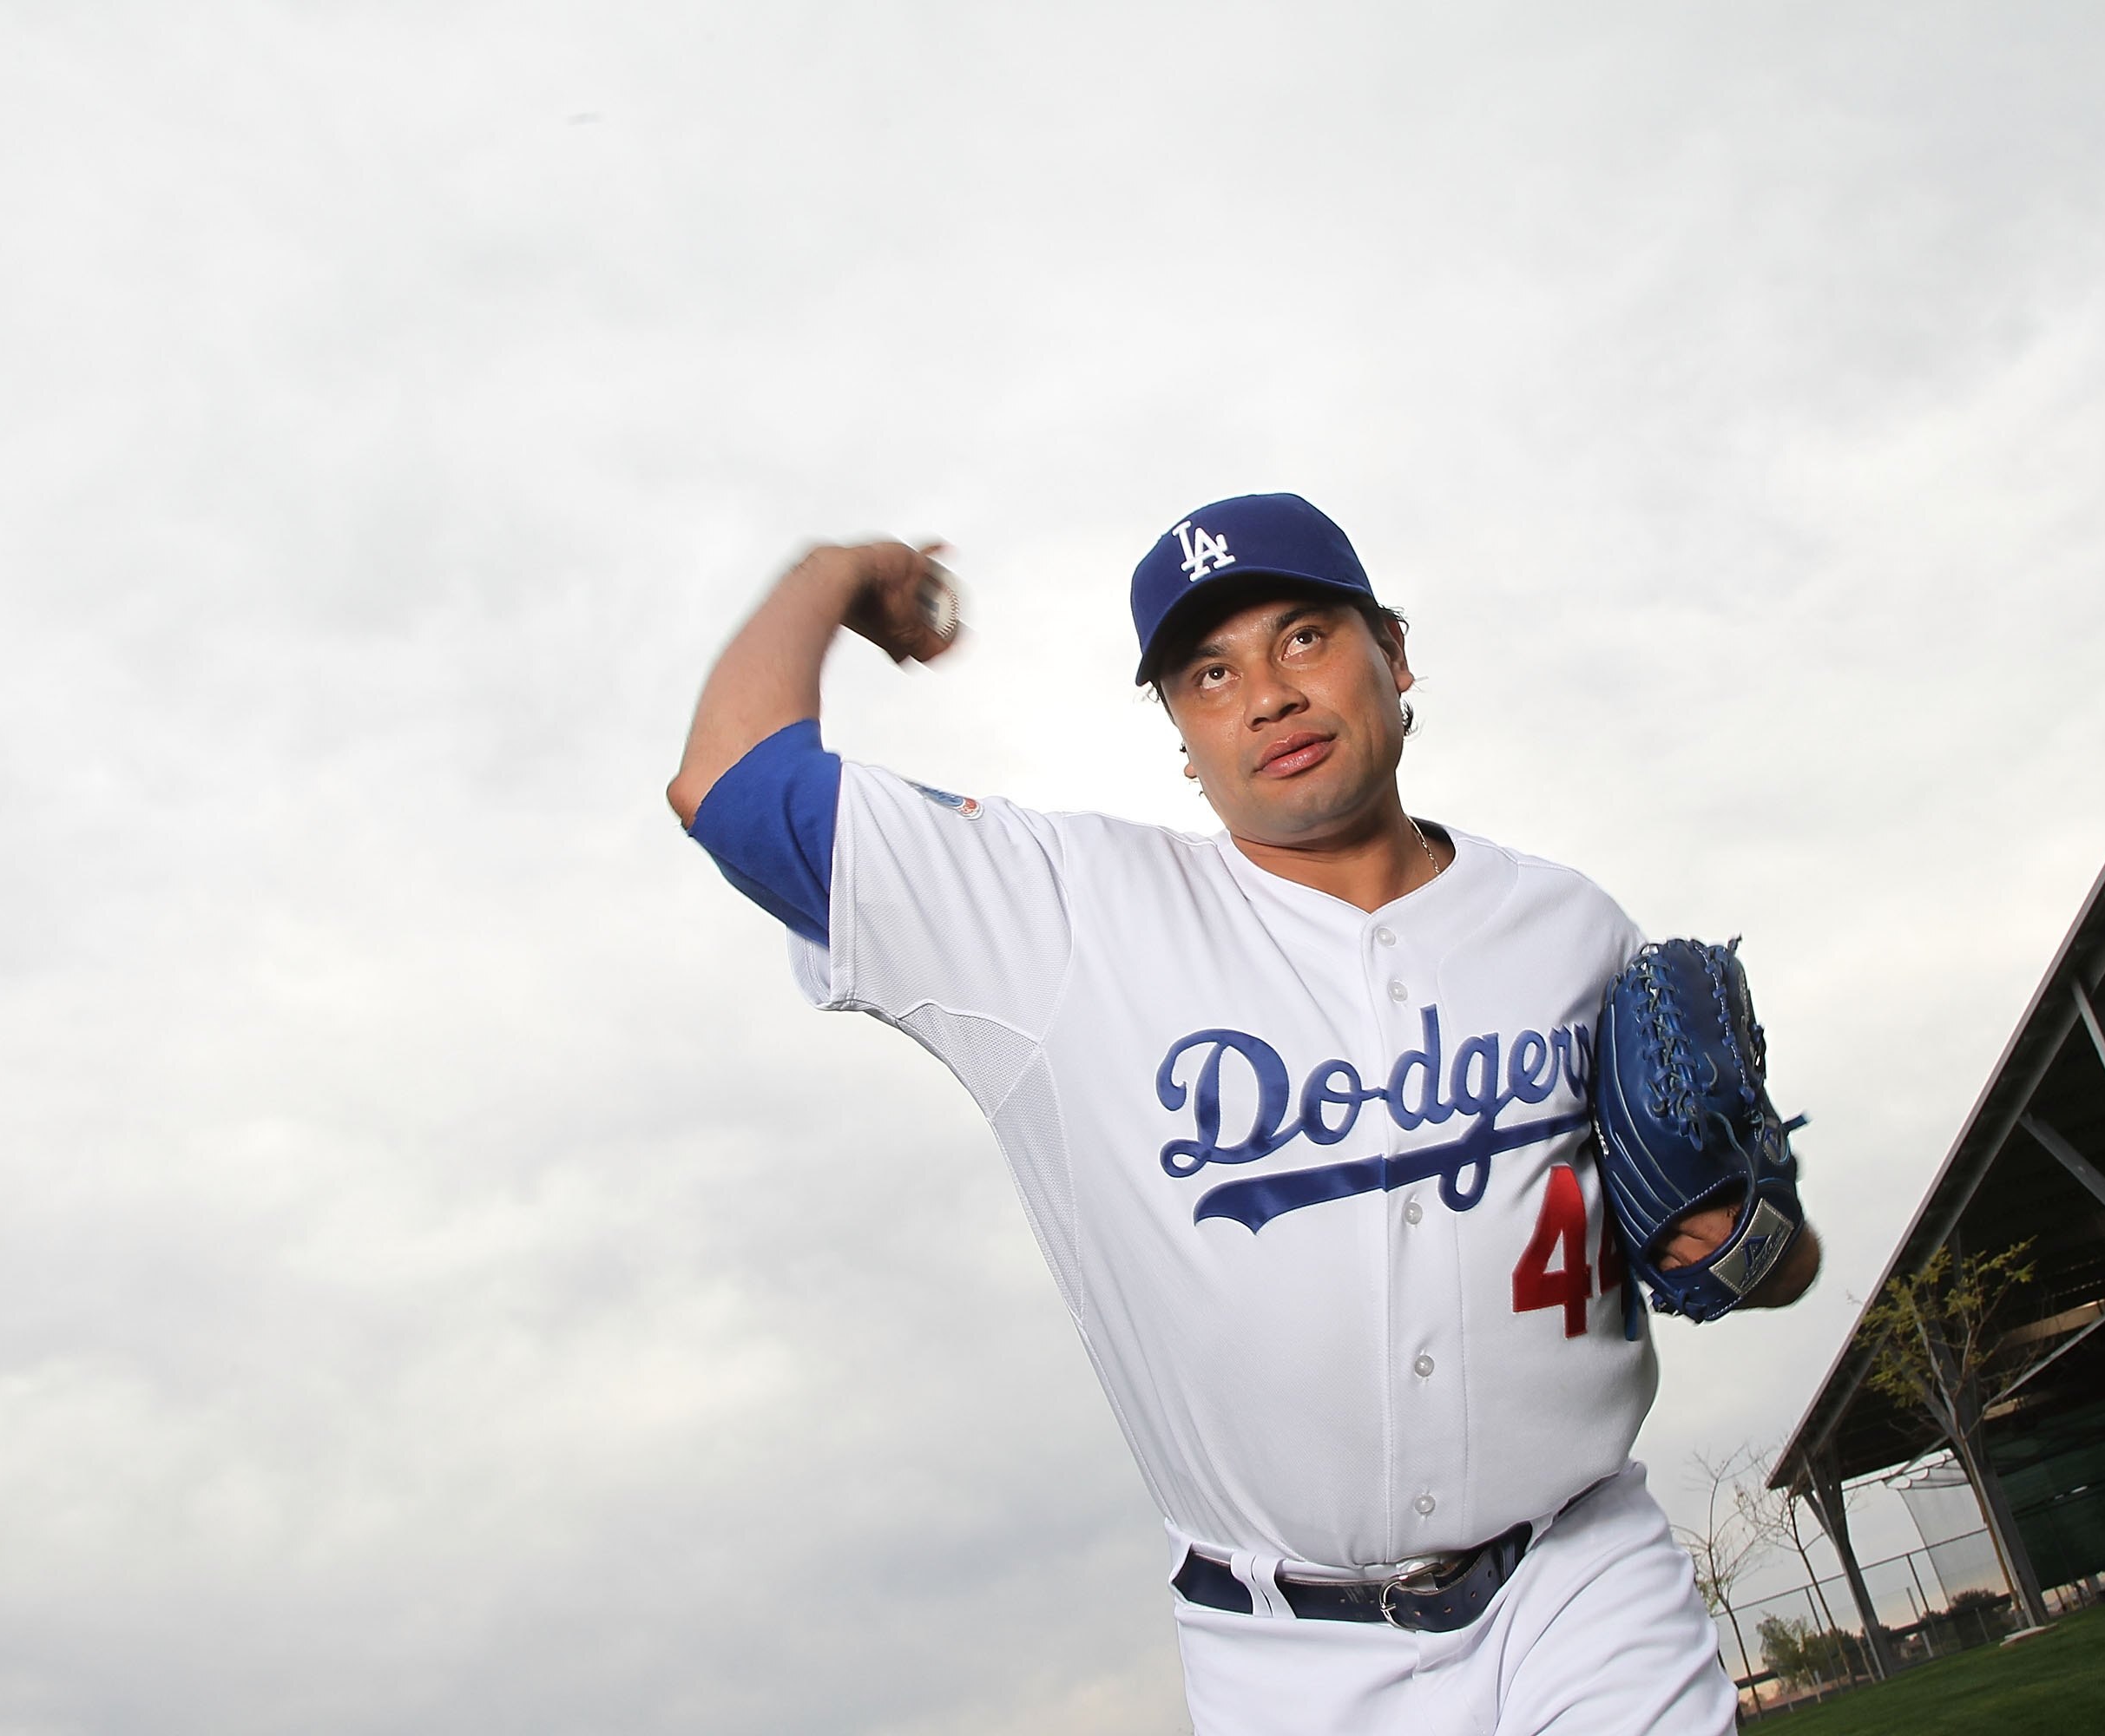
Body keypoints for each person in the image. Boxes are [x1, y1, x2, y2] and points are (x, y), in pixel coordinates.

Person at [666, 493, 1820, 1733]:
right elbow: (729, 784)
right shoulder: (1061, 917)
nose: (1265, 694)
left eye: (1304, 638)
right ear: (1180, 732)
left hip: (1583, 1587)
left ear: (1395, 652)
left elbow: (1771, 1264)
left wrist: (1741, 1240)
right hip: (1287, 1660)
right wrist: (841, 572)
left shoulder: (1571, 929)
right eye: (1210, 672)